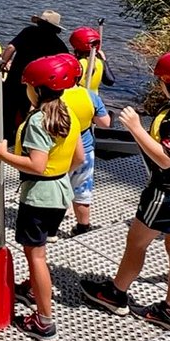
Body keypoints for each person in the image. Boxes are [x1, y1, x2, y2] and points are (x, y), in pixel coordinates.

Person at [81, 50, 170, 329]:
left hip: (168, 192)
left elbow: (167, 158)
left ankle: (114, 294)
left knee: (136, 243)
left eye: (162, 81)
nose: (159, 85)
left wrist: (135, 128)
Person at [0, 55, 85, 341]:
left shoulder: (38, 121)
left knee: (36, 256)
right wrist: (57, 177)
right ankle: (32, 289)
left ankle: (44, 322)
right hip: (60, 193)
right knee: (39, 250)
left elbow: (37, 165)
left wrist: (2, 154)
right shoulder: (68, 112)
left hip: (39, 196)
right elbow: (79, 158)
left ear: (37, 89)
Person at [60, 53, 112, 237]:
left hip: (60, 150)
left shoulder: (54, 98)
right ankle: (83, 226)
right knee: (82, 191)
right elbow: (105, 123)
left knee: (57, 186)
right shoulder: (89, 95)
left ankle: (51, 226)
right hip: (87, 150)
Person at [0, 10, 70, 133]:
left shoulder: (29, 31)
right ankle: (24, 141)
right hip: (38, 85)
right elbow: (66, 62)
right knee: (29, 113)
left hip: (15, 78)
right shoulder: (59, 45)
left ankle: (4, 139)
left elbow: (10, 48)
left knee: (7, 111)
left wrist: (1, 65)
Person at [70, 26, 116, 93]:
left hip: (78, 98)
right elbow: (110, 81)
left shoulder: (77, 64)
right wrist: (104, 60)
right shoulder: (100, 62)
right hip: (93, 100)